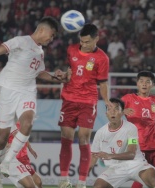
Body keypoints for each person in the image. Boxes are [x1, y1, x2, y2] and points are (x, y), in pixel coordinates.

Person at [0, 17, 68, 177]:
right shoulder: (21, 41)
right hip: (8, 90)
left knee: (27, 123)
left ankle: (7, 162)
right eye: (51, 35)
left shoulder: (40, 52)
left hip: (27, 92)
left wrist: (58, 77)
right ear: (42, 30)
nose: (51, 39)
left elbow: (40, 73)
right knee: (2, 138)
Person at [57, 23, 110, 188]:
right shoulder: (71, 49)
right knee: (66, 138)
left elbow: (102, 83)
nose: (84, 45)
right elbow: (70, 73)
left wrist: (107, 101)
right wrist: (62, 76)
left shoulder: (102, 58)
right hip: (69, 99)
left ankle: (81, 182)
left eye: (87, 42)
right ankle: (63, 180)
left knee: (84, 138)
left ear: (96, 39)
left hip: (88, 101)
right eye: (82, 41)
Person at [89, 98, 155, 188]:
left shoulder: (131, 128)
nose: (113, 112)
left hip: (136, 164)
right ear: (106, 114)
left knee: (153, 177)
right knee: (98, 186)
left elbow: (131, 154)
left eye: (116, 109)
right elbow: (94, 155)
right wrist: (85, 173)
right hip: (115, 168)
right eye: (109, 109)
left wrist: (110, 156)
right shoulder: (100, 133)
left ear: (122, 113)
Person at [121, 71, 155, 188]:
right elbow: (111, 110)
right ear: (137, 84)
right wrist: (122, 111)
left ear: (152, 84)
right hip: (135, 143)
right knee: (140, 178)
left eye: (147, 82)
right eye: (141, 81)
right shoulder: (128, 99)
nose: (144, 84)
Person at [8, 123, 42, 188]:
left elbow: (24, 137)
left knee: (38, 181)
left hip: (23, 158)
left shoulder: (22, 122)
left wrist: (30, 148)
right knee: (35, 182)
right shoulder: (8, 123)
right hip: (15, 158)